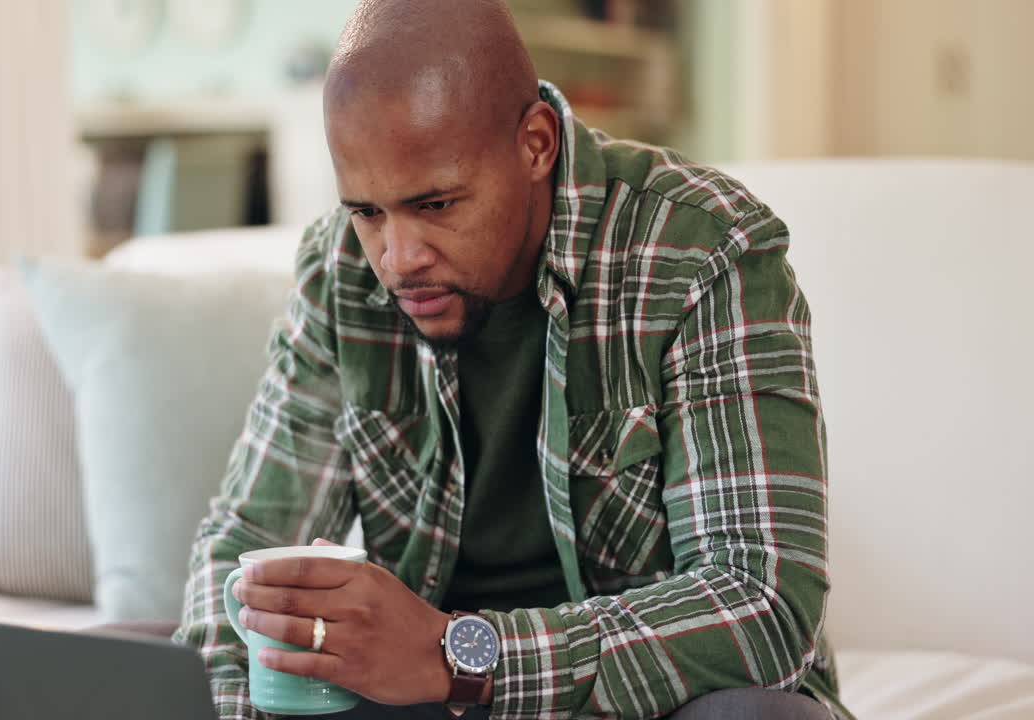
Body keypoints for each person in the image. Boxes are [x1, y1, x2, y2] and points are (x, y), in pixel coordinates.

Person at [176, 1, 854, 718]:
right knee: (111, 669)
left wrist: (457, 653)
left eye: (435, 204)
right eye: (367, 212)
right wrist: (230, 701)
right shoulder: (340, 270)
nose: (397, 260)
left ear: (535, 144)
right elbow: (248, 539)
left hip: (647, 706)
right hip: (424, 703)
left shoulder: (701, 249)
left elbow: (761, 598)